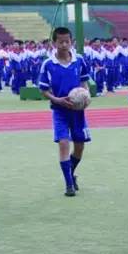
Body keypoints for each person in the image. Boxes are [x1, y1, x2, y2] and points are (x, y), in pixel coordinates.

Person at [38, 27, 91, 197]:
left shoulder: (79, 60)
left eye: (67, 41)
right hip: (60, 111)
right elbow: (43, 89)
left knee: (79, 147)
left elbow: (84, 82)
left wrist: (85, 96)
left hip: (78, 112)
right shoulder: (48, 64)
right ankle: (69, 184)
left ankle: (70, 174)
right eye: (60, 41)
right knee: (63, 144)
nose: (64, 44)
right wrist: (57, 100)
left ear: (71, 42)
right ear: (54, 43)